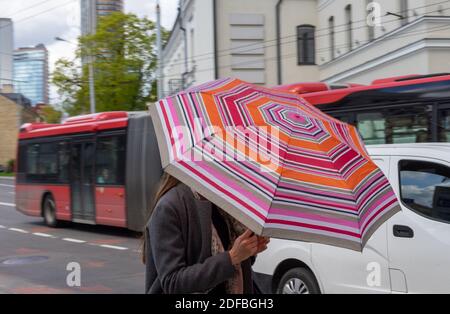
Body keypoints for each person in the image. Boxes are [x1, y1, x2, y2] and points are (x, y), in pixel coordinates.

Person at [143, 173, 270, 294]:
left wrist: (248, 251)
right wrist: (232, 258)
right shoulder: (169, 207)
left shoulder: (223, 201)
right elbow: (172, 282)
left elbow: (232, 264)